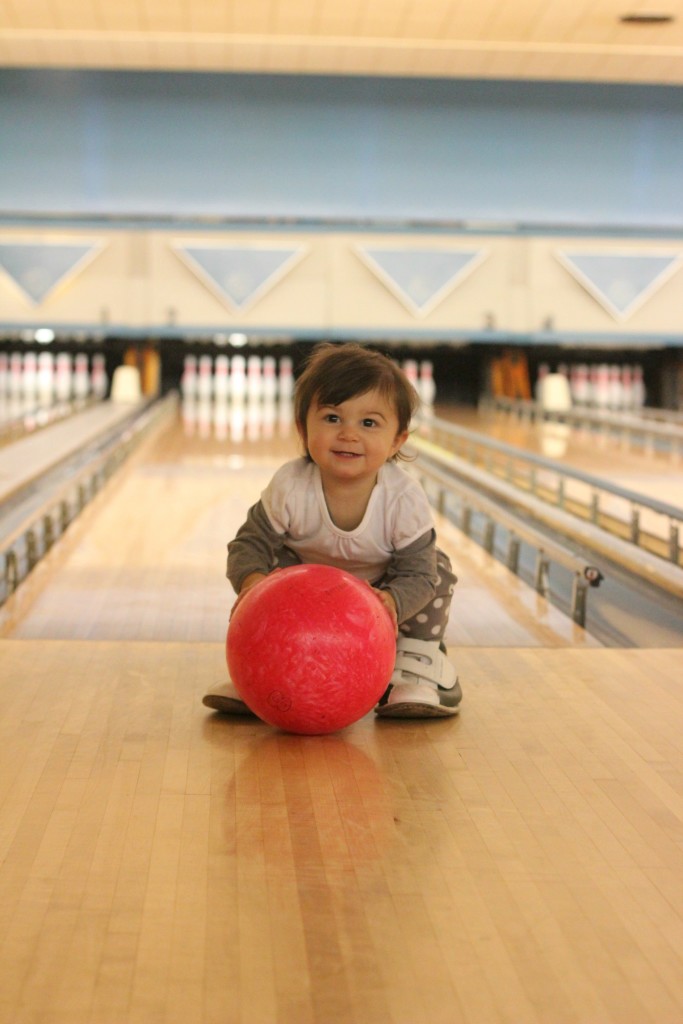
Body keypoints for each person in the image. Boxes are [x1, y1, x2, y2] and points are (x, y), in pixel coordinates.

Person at [203, 342, 461, 719]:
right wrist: (254, 584)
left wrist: (391, 602)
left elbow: (418, 574)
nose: (348, 434)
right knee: (270, 566)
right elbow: (249, 544)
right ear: (301, 428)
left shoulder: (403, 498)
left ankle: (414, 663)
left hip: (384, 588)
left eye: (368, 423)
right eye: (332, 418)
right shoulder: (290, 486)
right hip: (305, 588)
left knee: (437, 571)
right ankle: (262, 673)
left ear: (397, 441)